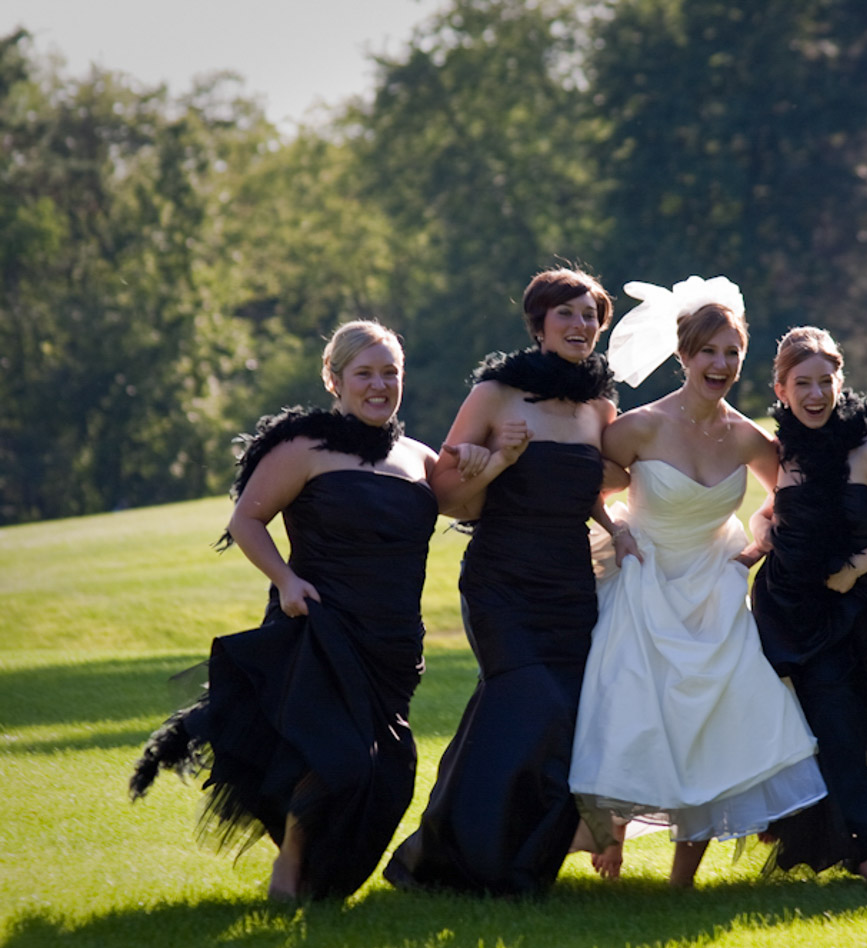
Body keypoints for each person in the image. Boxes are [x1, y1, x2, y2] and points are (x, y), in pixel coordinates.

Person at [130, 320, 448, 902]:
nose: (379, 385)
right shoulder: (303, 448)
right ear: (334, 380)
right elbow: (246, 520)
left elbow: (467, 503)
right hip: (320, 625)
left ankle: (322, 882)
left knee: (392, 772)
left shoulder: (420, 458)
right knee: (336, 759)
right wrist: (285, 581)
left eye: (390, 373)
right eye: (364, 374)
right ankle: (292, 864)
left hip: (394, 639)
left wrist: (493, 458)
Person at [569, 276, 826, 888]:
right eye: (708, 351)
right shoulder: (639, 427)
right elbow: (585, 482)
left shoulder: (748, 437)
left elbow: (787, 499)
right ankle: (612, 838)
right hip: (644, 576)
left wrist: (758, 544)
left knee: (714, 720)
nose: (721, 363)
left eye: (731, 352)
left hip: (714, 586)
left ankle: (683, 879)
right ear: (683, 355)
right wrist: (617, 529)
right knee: (631, 705)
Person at [383, 266, 621, 897]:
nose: (580, 325)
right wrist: (499, 461)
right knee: (529, 703)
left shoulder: (599, 408)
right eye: (566, 313)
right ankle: (448, 860)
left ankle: (521, 864)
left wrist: (621, 526)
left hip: (571, 586)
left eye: (590, 316)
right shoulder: (496, 394)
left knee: (560, 721)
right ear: (539, 324)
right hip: (502, 582)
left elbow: (596, 488)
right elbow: (446, 497)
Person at [750, 327, 867, 887]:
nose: (816, 394)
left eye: (825, 381)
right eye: (802, 384)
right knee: (822, 730)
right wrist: (760, 527)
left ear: (840, 382)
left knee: (849, 730)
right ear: (781, 390)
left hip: (860, 617)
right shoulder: (781, 453)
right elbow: (771, 509)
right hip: (788, 613)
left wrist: (857, 566)